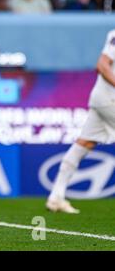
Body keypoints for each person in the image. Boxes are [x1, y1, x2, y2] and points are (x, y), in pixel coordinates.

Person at [46, 29, 115, 214]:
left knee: (84, 143)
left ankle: (56, 197)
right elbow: (102, 65)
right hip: (110, 100)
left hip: (102, 98)